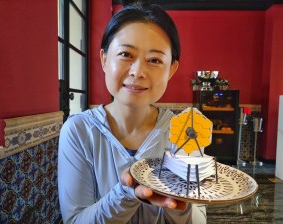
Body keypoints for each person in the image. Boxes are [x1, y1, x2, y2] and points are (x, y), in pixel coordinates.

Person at [58, 1, 207, 223]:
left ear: (171, 69)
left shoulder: (186, 133)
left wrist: (178, 205)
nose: (138, 71)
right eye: (126, 54)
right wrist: (127, 193)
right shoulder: (79, 130)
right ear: (105, 59)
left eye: (155, 60)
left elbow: (198, 220)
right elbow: (75, 220)